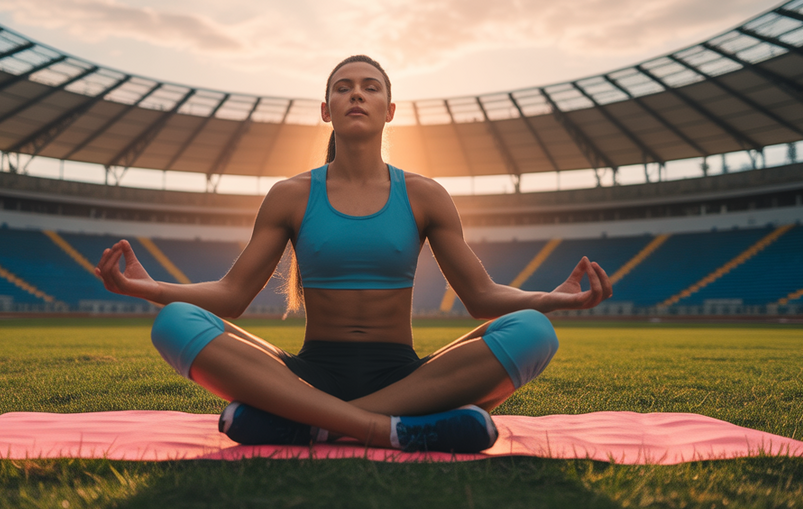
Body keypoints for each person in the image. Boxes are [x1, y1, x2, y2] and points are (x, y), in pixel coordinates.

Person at [95, 55, 612, 453]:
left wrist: (551, 298)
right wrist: (151, 290)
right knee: (175, 323)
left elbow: (481, 297)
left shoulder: (426, 194)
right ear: (326, 111)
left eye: (370, 88)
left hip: (405, 378)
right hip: (306, 375)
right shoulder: (291, 194)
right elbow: (230, 298)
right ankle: (386, 431)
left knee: (533, 331)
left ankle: (308, 426)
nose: (356, 95)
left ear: (390, 110)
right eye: (343, 88)